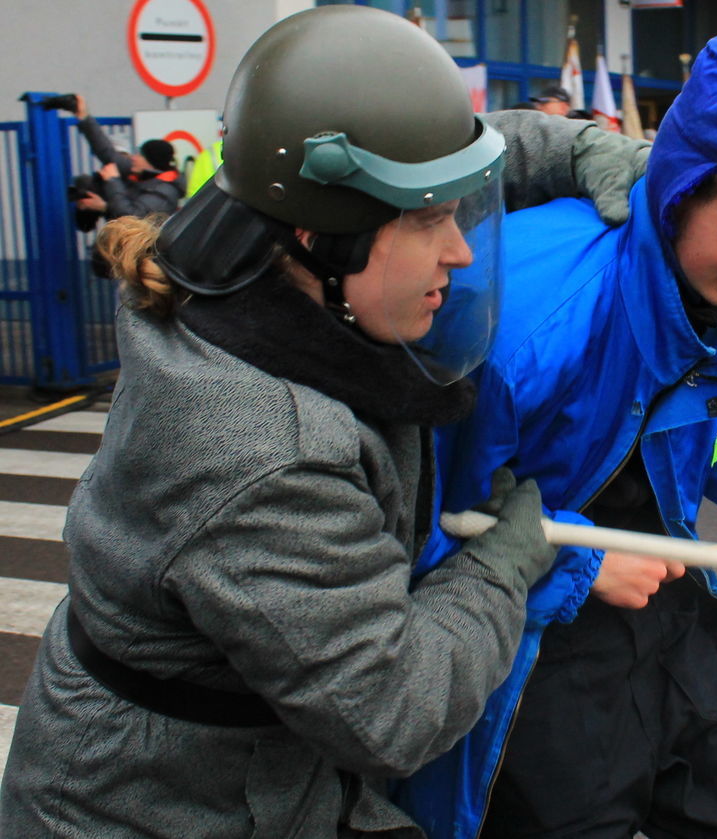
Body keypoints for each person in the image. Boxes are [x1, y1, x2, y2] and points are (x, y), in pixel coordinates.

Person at [0, 7, 658, 836]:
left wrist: (579, 146)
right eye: (428, 222)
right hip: (161, 808)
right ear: (325, 238)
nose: (460, 251)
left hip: (263, 775)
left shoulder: (253, 238)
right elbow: (394, 709)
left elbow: (436, 154)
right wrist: (504, 562)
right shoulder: (265, 454)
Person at [396, 36, 717, 839]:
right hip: (535, 660)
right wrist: (578, 557)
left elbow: (689, 395)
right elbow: (431, 520)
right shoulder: (515, 329)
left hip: (664, 618)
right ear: (680, 192)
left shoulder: (700, 267)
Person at [68, 94, 184, 225]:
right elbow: (107, 153)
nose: (134, 157)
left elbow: (132, 218)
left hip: (144, 244)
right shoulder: (142, 173)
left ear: (151, 162)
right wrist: (84, 117)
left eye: (140, 155)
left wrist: (112, 182)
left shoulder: (166, 190)